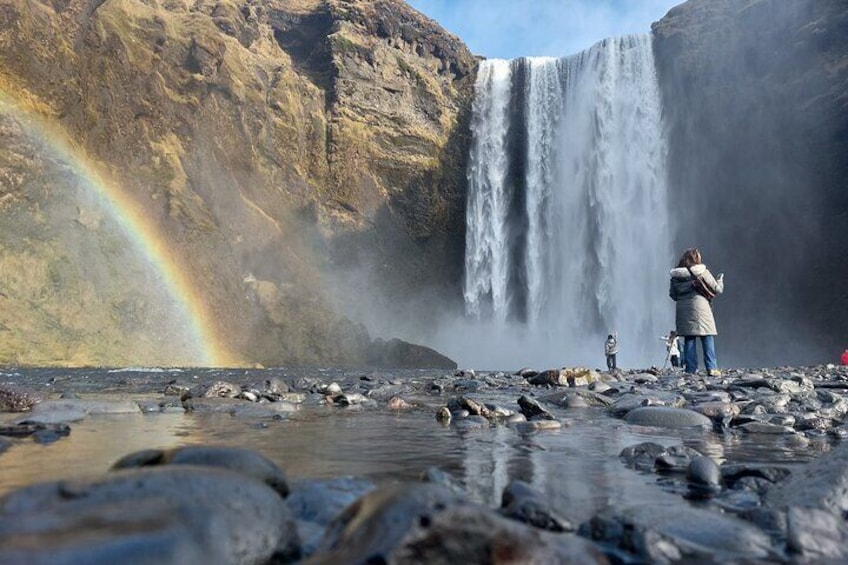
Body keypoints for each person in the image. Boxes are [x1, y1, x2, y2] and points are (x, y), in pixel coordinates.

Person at [669, 248, 724, 376]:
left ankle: (690, 369)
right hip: (701, 308)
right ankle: (712, 368)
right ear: (696, 259)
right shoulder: (702, 272)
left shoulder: (676, 277)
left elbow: (672, 295)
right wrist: (720, 280)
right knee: (707, 336)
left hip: (683, 310)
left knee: (689, 338)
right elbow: (717, 289)